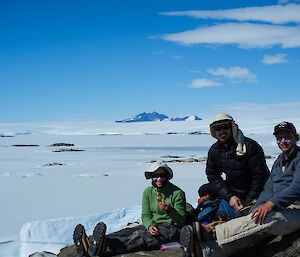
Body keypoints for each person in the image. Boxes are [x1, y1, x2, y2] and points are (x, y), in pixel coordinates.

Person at [181, 121, 300, 257]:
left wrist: (269, 204)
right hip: (280, 207)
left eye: (287, 137)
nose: (283, 141)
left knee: (266, 218)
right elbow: (269, 188)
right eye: (279, 138)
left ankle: (211, 233)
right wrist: (258, 205)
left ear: (296, 138)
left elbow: (297, 187)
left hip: (296, 209)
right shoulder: (279, 160)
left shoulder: (298, 158)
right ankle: (205, 251)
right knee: (252, 234)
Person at [73, 162, 186, 257]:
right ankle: (92, 243)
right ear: (151, 177)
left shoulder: (177, 193)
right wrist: (149, 225)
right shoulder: (148, 192)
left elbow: (181, 220)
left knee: (141, 237)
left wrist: (170, 210)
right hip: (153, 225)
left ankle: (105, 247)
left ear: (167, 176)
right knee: (126, 232)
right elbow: (146, 213)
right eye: (156, 175)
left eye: (162, 175)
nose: (159, 179)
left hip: (171, 229)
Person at [198, 113, 270, 213]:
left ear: (232, 127)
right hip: (234, 189)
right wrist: (229, 196)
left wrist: (248, 202)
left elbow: (259, 177)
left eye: (225, 127)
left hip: (255, 190)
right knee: (204, 190)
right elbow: (212, 175)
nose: (222, 131)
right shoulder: (215, 150)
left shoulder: (250, 146)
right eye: (218, 129)